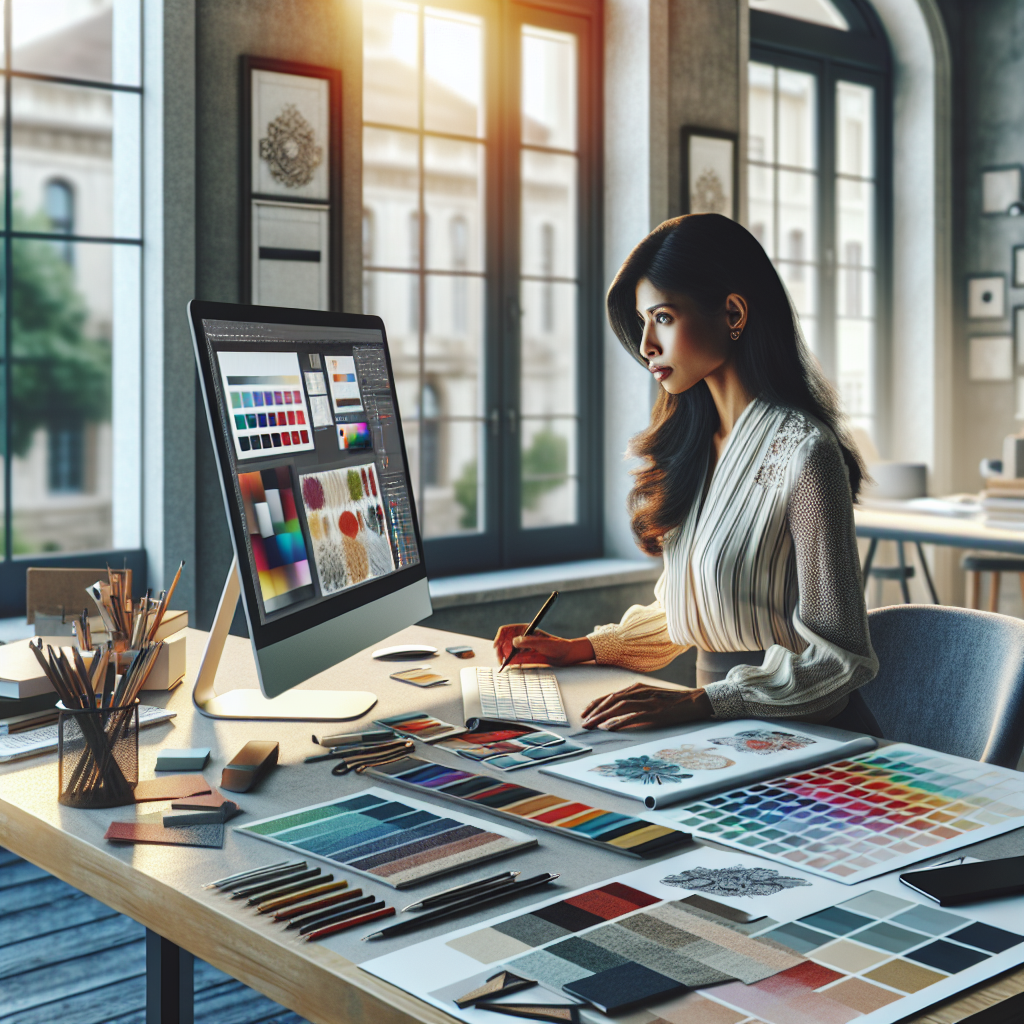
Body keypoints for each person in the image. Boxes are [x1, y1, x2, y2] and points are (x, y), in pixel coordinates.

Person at [494, 213, 880, 733]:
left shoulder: (805, 453)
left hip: (807, 733)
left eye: (664, 317)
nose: (647, 343)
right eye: (642, 321)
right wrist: (579, 648)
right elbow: (694, 611)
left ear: (734, 313)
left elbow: (840, 657)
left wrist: (703, 702)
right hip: (720, 726)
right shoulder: (691, 446)